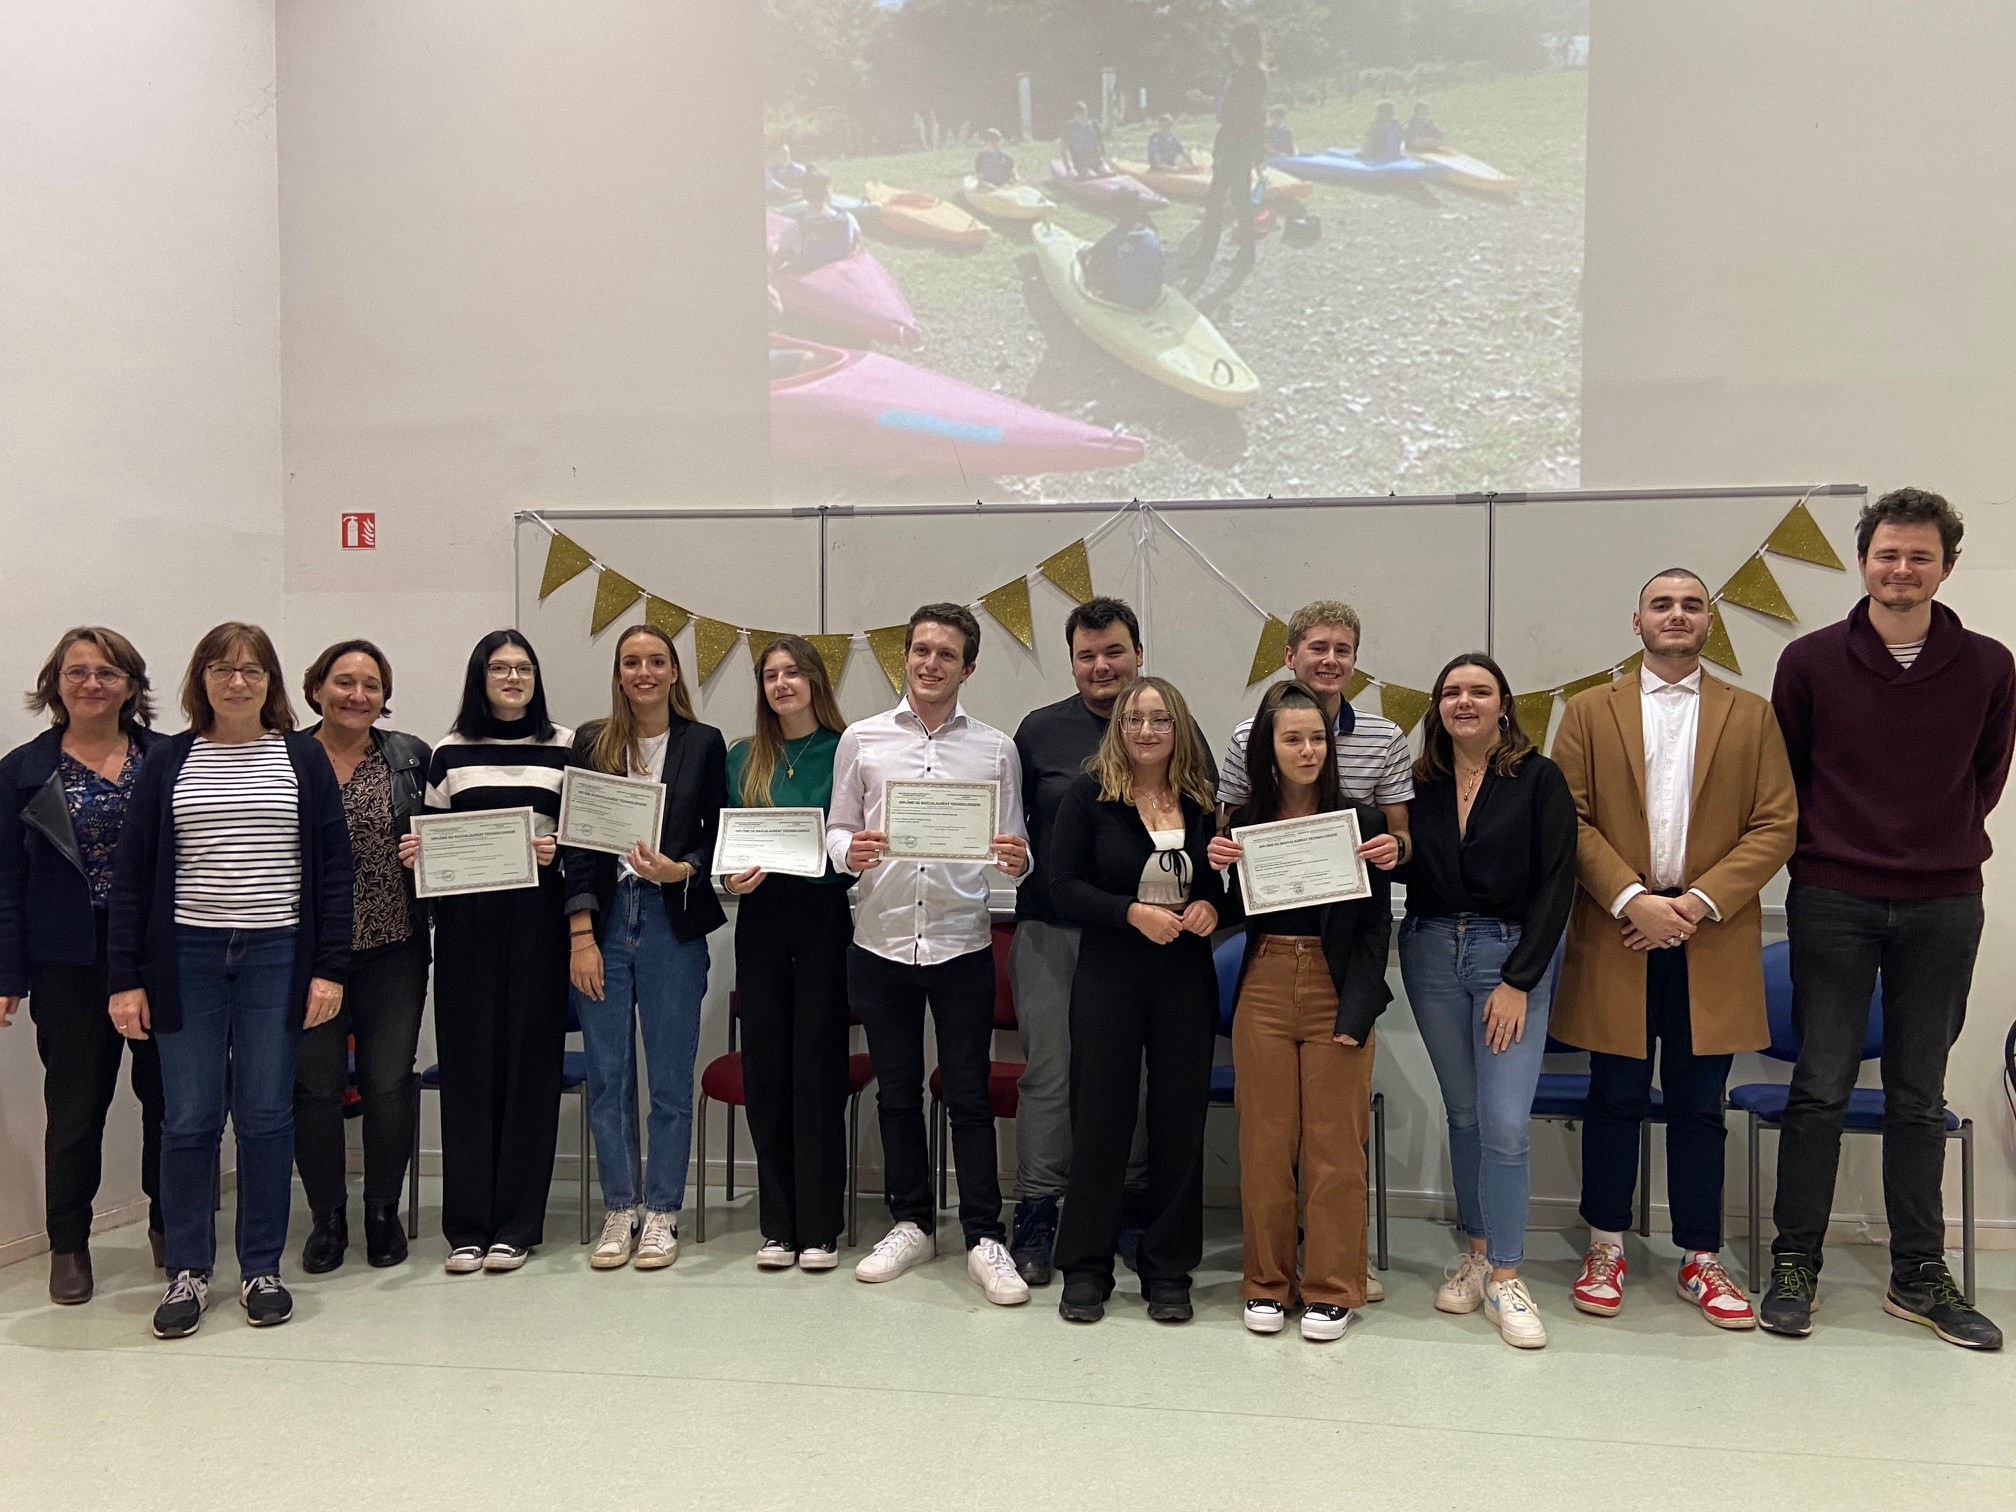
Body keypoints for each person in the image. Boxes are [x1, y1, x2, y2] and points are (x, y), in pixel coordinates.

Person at [1761, 488, 2012, 1350]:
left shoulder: (1988, 665)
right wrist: (1839, 851)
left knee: (1917, 1096)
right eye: (1886, 554)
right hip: (1833, 894)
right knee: (1819, 1086)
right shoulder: (1809, 660)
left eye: (1919, 557)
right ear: (1863, 560)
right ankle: (1794, 1261)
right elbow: (1785, 776)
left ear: (1946, 566)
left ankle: (1919, 1275)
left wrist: (1932, 846)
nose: (1901, 570)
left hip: (1946, 900)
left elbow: (1984, 778)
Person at [1549, 572, 1797, 1330]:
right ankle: (1606, 1245)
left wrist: (1692, 905)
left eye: (1693, 605)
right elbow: (1570, 820)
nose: (1678, 615)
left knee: (1698, 1103)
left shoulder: (1752, 715)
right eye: (1663, 604)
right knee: (1613, 1097)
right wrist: (1634, 900)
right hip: (1618, 929)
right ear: (1637, 621)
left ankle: (1699, 1254)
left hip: (1709, 932)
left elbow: (1776, 824)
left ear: (1710, 623)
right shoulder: (1589, 712)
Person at [108, 622, 352, 1339]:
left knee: (268, 1113)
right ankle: (188, 1268)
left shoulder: (301, 758)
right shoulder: (168, 761)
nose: (236, 681)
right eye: (221, 669)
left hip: (277, 954)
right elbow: (132, 878)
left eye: (250, 669)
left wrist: (329, 967)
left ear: (272, 682)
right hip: (186, 956)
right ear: (200, 681)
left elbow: (334, 873)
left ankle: (259, 1268)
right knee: (187, 1117)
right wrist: (125, 978)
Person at [826, 603, 1032, 1305]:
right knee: (898, 1092)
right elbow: (837, 830)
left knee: (969, 1095)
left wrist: (1017, 859)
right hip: (879, 939)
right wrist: (845, 851)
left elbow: (1016, 849)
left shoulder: (997, 749)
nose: (930, 663)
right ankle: (910, 1222)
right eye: (920, 650)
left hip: (962, 942)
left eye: (947, 653)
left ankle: (983, 1235)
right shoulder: (862, 739)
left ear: (968, 667)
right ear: (905, 658)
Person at [1008, 598, 1216, 1285]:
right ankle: (1043, 1216)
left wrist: (1214, 907)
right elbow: (1039, 855)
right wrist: (1127, 911)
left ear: (1137, 654)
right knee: (1063, 1084)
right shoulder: (1039, 734)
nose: (1102, 665)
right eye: (1087, 654)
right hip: (1061, 936)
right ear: (1072, 662)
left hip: (1173, 958)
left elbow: (1221, 861)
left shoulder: (1191, 763)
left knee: (1163, 1106)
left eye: (1115, 652)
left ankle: (1139, 1229)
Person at [1397, 652, 1575, 1349]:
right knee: (1465, 1113)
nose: (1463, 702)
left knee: (1504, 1120)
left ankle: (1507, 1274)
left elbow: (1558, 884)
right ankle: (1474, 1252)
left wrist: (1519, 981)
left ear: (1505, 705)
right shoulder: (1419, 784)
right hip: (1430, 951)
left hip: (1509, 956)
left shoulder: (1540, 779)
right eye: (1450, 692)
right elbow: (1401, 855)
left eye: (1479, 691)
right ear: (1436, 707)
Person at [1209, 680, 1392, 1342]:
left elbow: (1375, 929)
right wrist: (1219, 869)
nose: (1307, 749)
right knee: (1264, 1141)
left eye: (1317, 737)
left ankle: (1332, 1287)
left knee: (1334, 1146)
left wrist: (1359, 1009)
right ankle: (1265, 1283)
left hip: (1334, 983)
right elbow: (1229, 914)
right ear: (1270, 746)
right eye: (1292, 738)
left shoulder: (1361, 821)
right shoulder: (1245, 820)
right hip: (1263, 980)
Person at [1048, 677, 1222, 1325]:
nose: (1147, 731)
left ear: (1178, 728)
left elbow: (1230, 884)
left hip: (1184, 974)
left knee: (1180, 1119)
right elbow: (1061, 886)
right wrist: (1128, 913)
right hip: (1109, 973)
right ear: (1118, 729)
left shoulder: (1204, 801)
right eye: (1135, 720)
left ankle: (1168, 1265)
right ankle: (1086, 1265)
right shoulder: (1088, 798)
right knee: (1101, 1116)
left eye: (1160, 720)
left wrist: (1212, 906)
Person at [0, 628, 165, 1305]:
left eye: (107, 672)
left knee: (171, 1105)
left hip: (160, 955)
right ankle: (68, 1245)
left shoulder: (166, 759)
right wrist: (9, 976)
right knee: (74, 1109)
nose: (91, 683)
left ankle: (171, 1227)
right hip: (67, 960)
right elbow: (7, 883)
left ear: (130, 685)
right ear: (55, 683)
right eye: (76, 672)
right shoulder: (22, 770)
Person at [564, 623, 726, 1272]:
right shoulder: (590, 742)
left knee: (667, 1080)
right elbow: (576, 844)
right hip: (604, 923)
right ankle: (619, 1208)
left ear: (675, 672)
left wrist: (682, 869)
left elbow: (719, 832)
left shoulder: (703, 743)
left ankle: (662, 1211)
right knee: (608, 1077)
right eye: (632, 662)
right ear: (619, 673)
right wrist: (579, 934)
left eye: (656, 661)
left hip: (670, 921)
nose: (644, 672)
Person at [409, 631, 571, 1277]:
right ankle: (467, 1227)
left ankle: (516, 1225)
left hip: (539, 921)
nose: (512, 677)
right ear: (480, 677)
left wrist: (558, 846)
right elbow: (428, 833)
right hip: (466, 923)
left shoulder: (564, 746)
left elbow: (581, 834)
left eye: (523, 667)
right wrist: (417, 854)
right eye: (499, 668)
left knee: (531, 1066)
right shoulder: (448, 752)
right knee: (469, 1067)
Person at [293, 641, 432, 1273]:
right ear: (317, 687)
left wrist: (431, 854)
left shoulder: (409, 758)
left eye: (371, 684)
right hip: (307, 955)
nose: (357, 695)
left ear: (384, 695)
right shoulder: (285, 756)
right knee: (316, 1087)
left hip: (394, 949)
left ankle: (381, 1212)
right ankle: (327, 1219)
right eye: (343, 682)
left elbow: (450, 841)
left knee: (387, 1083)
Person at [724, 636, 852, 1272]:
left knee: (818, 1068)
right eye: (770, 675)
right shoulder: (743, 755)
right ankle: (777, 1224)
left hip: (826, 917)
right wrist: (728, 880)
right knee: (767, 1068)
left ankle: (820, 1225)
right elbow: (722, 841)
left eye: (793, 673)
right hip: (762, 920)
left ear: (815, 681)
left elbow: (858, 844)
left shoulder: (848, 747)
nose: (782, 684)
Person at [1182, 21, 1268, 280]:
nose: (1230, 49)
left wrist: (1257, 151)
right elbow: (1226, 107)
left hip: (1238, 143)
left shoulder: (1252, 75)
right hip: (1229, 141)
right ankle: (1216, 255)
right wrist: (1206, 101)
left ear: (1243, 46)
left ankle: (1238, 254)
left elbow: (1252, 114)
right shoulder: (1237, 73)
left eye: (1234, 44)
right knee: (1219, 200)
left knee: (1234, 200)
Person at [1079, 190, 1164, 312]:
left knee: (1090, 256)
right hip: (1153, 298)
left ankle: (1094, 289)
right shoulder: (1151, 235)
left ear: (1116, 212)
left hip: (1125, 302)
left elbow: (1092, 253)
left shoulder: (1115, 237)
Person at [771, 170, 857, 275]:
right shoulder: (849, 220)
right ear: (828, 192)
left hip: (811, 286)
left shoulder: (796, 228)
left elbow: (776, 262)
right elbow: (856, 252)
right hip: (842, 280)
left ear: (805, 195)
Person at [1060, 101, 1110, 178]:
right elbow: (1064, 150)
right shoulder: (1069, 127)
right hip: (1080, 161)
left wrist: (1103, 161)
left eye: (1083, 111)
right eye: (1078, 112)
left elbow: (1101, 144)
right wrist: (1069, 169)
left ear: (1086, 111)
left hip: (1095, 159)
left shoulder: (1094, 124)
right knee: (1090, 175)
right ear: (1074, 114)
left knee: (1106, 172)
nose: (1081, 114)